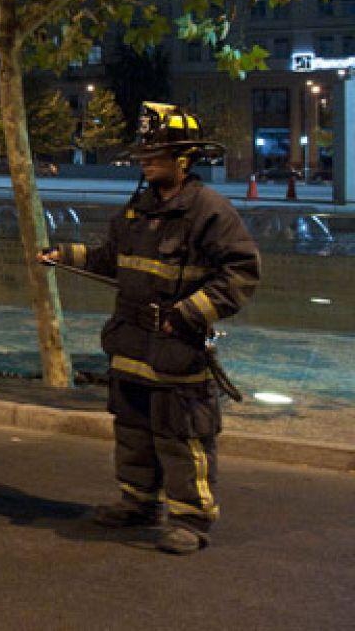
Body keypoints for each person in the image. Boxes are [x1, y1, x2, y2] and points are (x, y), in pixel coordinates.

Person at [40, 102, 260, 555]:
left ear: (183, 158)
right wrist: (64, 255)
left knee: (182, 435)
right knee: (133, 429)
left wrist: (189, 312)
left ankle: (191, 518)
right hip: (132, 344)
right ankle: (138, 502)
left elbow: (241, 273)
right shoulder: (138, 209)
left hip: (176, 346)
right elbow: (110, 260)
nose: (145, 161)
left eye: (154, 153)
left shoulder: (208, 211)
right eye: (144, 153)